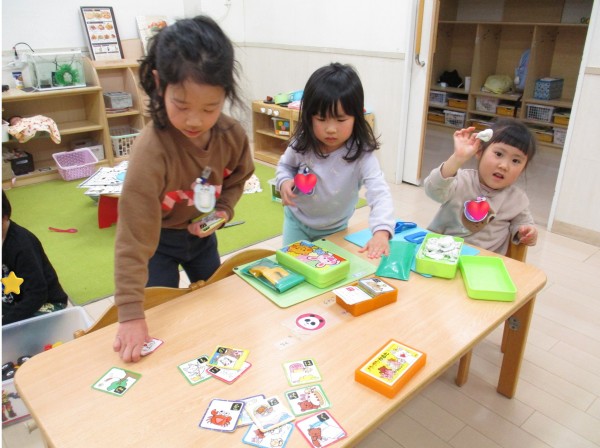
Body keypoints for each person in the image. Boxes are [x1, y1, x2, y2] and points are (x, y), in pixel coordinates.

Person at [113, 16, 254, 363]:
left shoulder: (231, 135)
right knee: (160, 314)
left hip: (202, 237)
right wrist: (130, 314)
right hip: (157, 243)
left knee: (214, 305)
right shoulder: (151, 151)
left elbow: (239, 177)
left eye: (210, 108)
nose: (195, 120)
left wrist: (223, 210)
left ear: (224, 95)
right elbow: (132, 238)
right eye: (181, 105)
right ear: (159, 84)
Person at [275, 63, 395, 258]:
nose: (331, 129)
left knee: (326, 269)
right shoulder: (302, 143)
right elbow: (285, 166)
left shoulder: (362, 154)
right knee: (292, 265)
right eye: (321, 119)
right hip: (297, 222)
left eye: (340, 120)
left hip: (335, 229)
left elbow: (379, 193)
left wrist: (382, 231)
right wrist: (284, 181)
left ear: (356, 117)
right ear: (309, 116)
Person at [423, 118, 538, 255]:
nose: (504, 166)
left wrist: (527, 232)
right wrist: (457, 159)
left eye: (516, 161)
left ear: (523, 168)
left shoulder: (517, 199)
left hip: (483, 262)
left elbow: (523, 223)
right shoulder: (461, 180)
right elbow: (433, 190)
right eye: (499, 154)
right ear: (479, 152)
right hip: (440, 253)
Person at [2, 191, 68, 325]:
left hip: (46, 302)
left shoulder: (21, 245)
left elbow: (37, 294)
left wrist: (5, 322)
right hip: (14, 298)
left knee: (23, 331)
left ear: (4, 217)